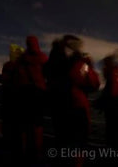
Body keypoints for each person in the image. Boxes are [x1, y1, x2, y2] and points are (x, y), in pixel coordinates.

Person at [45, 35, 100, 167]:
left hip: (58, 106)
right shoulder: (79, 62)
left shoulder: (53, 60)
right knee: (79, 145)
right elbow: (94, 83)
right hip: (77, 107)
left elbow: (46, 75)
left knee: (61, 141)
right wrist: (88, 64)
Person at [16, 36, 48, 163]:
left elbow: (18, 74)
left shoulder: (22, 59)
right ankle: (37, 152)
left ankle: (23, 150)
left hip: (24, 93)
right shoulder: (43, 58)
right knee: (38, 124)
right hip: (39, 93)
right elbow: (48, 72)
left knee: (24, 123)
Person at [95, 51, 118, 150]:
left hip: (116, 113)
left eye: (104, 66)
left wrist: (100, 103)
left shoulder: (114, 75)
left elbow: (113, 95)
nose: (102, 69)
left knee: (115, 139)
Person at [1, 44, 24, 161]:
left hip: (7, 99)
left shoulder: (7, 66)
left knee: (8, 125)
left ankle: (8, 148)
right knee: (17, 128)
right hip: (17, 101)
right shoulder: (20, 68)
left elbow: (4, 80)